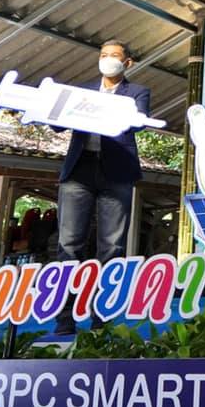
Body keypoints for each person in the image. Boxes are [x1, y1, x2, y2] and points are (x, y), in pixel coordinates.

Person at [54, 39, 151, 334]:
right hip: (79, 170)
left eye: (115, 55)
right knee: (69, 243)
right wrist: (54, 107)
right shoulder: (81, 90)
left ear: (127, 62)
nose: (108, 59)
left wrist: (102, 110)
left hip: (117, 172)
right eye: (104, 54)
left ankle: (102, 315)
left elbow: (137, 123)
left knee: (112, 246)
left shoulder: (137, 92)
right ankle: (65, 316)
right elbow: (57, 124)